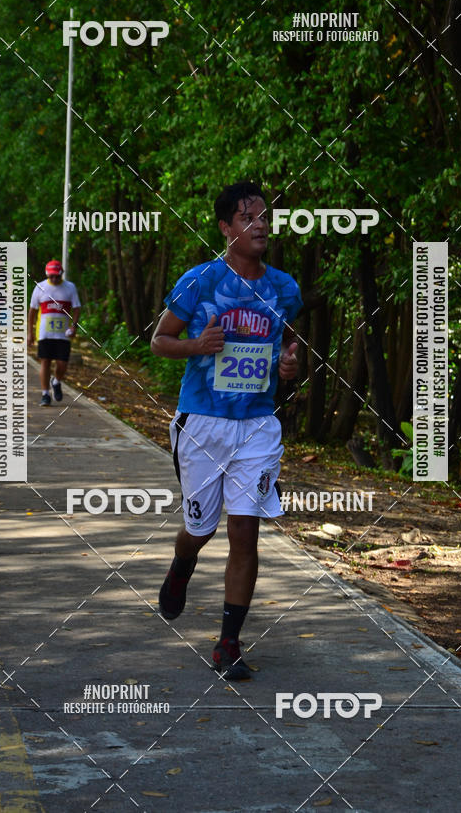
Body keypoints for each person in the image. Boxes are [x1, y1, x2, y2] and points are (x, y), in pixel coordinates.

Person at [151, 181, 301, 680]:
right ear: (225, 228)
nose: (259, 225)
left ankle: (229, 643)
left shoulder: (284, 288)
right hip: (202, 424)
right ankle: (181, 567)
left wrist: (287, 364)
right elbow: (160, 341)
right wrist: (198, 346)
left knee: (245, 531)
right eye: (247, 218)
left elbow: (288, 344)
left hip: (257, 425)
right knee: (201, 528)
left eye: (264, 217)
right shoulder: (199, 282)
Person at [28, 260, 81, 406]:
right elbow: (32, 311)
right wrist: (30, 333)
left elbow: (77, 308)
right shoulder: (40, 287)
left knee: (62, 365)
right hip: (44, 333)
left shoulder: (70, 288)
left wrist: (74, 326)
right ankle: (45, 394)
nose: (54, 279)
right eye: (51, 277)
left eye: (57, 277)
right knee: (45, 362)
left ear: (61, 274)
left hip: (63, 334)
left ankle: (56, 382)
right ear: (47, 275)